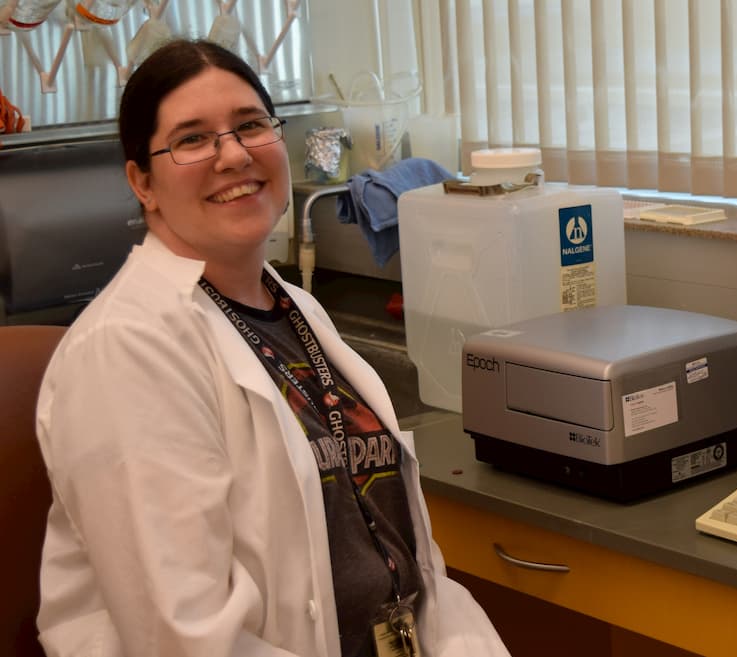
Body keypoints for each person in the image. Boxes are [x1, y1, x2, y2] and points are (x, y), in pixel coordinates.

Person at [34, 39, 510, 657]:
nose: (232, 155)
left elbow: (413, 569)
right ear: (142, 182)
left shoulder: (291, 306)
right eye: (192, 138)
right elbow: (186, 639)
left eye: (250, 125)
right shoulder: (125, 351)